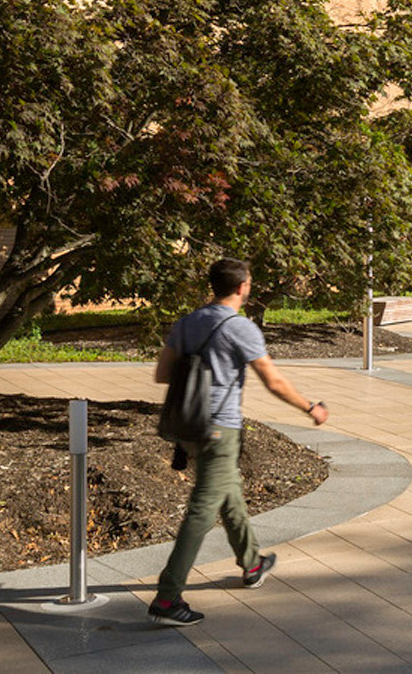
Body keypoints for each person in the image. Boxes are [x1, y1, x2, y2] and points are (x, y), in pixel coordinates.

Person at [147, 258, 329, 628]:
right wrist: (311, 406)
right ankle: (167, 597)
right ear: (243, 287)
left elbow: (163, 374)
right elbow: (274, 382)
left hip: (189, 426)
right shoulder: (240, 328)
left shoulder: (187, 322)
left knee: (230, 492)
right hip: (220, 429)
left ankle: (252, 563)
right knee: (203, 508)